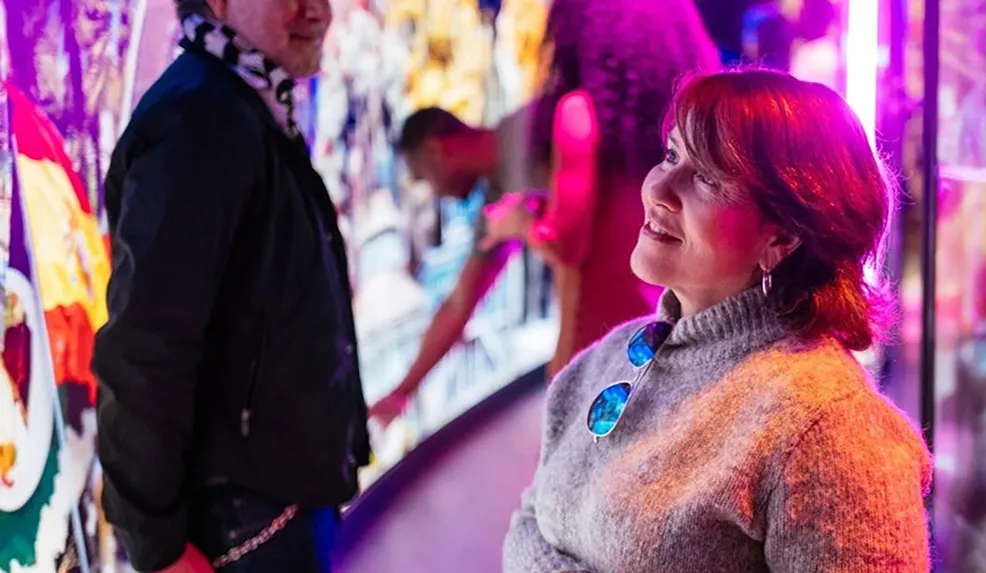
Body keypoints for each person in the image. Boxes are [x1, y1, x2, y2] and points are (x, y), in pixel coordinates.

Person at [503, 69, 933, 572]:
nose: (660, 188)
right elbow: (528, 521)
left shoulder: (829, 430)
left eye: (707, 177)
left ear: (783, 238)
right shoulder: (604, 361)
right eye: (671, 155)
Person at [93, 0, 370, 571]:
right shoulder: (199, 117)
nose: (318, 12)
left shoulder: (241, 100)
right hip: (242, 525)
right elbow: (146, 345)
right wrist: (157, 546)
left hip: (270, 506)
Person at [479, 0, 720, 377]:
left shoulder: (580, 115)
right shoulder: (693, 117)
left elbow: (566, 244)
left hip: (604, 347)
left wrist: (516, 222)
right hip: (686, 334)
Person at [368, 104, 545, 425]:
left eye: (425, 178)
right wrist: (402, 392)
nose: (437, 193)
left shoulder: (532, 127)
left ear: (437, 151)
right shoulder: (497, 202)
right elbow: (459, 303)